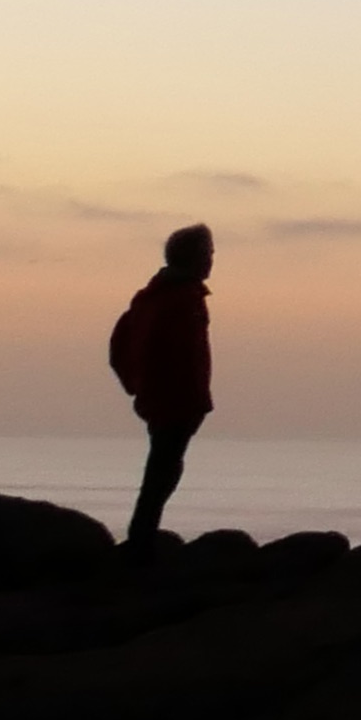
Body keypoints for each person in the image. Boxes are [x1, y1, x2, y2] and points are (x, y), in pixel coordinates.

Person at [107, 224, 216, 548]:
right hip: (172, 401)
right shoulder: (175, 298)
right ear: (194, 257)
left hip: (173, 400)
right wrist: (141, 386)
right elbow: (135, 346)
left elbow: (121, 345)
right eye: (208, 253)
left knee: (165, 468)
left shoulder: (162, 296)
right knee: (162, 471)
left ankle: (143, 535)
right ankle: (142, 539)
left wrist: (138, 386)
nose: (211, 261)